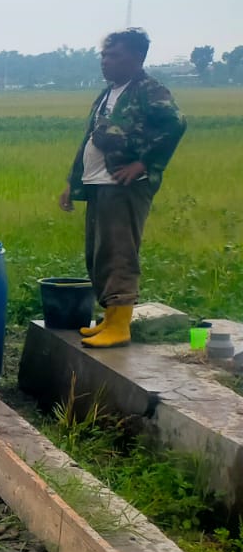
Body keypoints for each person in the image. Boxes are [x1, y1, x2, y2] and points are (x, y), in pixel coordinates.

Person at [59, 28, 186, 348]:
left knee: (119, 252)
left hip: (123, 185)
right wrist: (72, 184)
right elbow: (89, 139)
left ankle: (121, 325)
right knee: (99, 253)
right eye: (104, 54)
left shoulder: (147, 89)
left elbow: (176, 124)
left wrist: (145, 164)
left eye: (114, 55)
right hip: (98, 184)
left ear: (137, 57)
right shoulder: (107, 93)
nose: (105, 61)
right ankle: (110, 319)